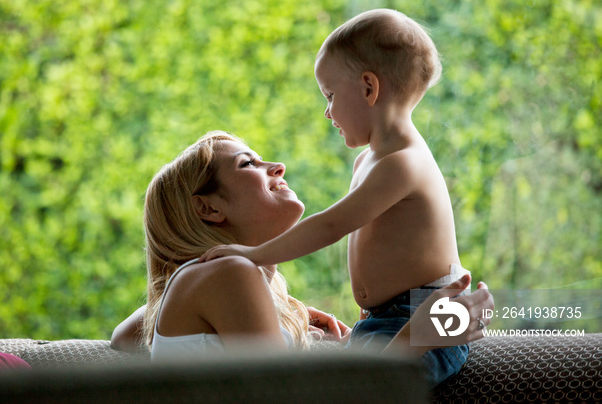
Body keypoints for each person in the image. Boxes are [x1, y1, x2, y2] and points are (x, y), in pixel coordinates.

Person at [198, 9, 473, 384]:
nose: (327, 112)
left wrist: (253, 255)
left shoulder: (404, 164)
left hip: (423, 320)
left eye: (329, 95)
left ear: (368, 88)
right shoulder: (369, 160)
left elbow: (331, 225)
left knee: (372, 391)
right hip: (383, 322)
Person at [112, 131, 493, 386]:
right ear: (208, 208)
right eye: (248, 164)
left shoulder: (216, 280)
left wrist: (287, 316)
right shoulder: (228, 273)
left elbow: (126, 336)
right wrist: (424, 333)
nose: (276, 167)